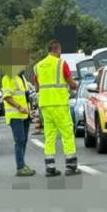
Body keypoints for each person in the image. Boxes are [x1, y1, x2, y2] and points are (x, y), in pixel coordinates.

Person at [33, 40, 78, 176]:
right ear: (58, 50)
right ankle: (71, 166)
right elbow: (72, 84)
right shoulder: (61, 63)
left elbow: (36, 87)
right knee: (67, 134)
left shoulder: (38, 66)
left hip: (45, 105)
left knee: (49, 135)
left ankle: (50, 168)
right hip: (60, 104)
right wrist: (73, 85)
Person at [2, 67, 35, 176]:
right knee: (19, 140)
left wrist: (30, 110)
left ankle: (23, 164)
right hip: (15, 114)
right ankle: (20, 167)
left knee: (24, 140)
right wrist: (19, 107)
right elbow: (7, 97)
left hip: (25, 114)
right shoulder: (8, 78)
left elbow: (25, 96)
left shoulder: (22, 78)